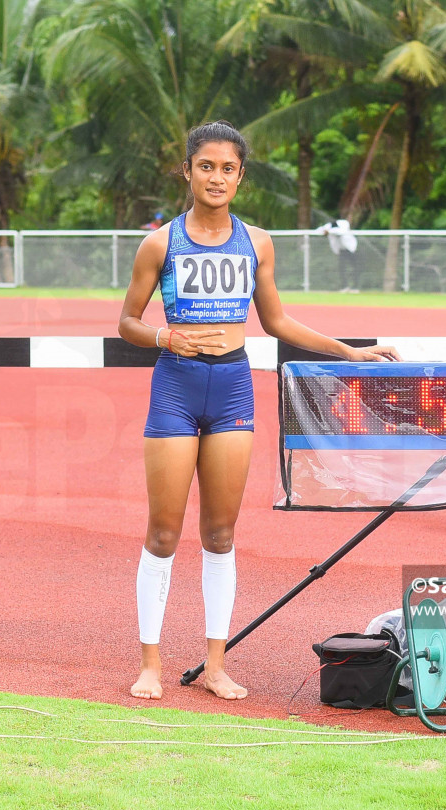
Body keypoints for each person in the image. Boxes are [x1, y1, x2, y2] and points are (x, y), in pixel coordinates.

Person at [117, 121, 399, 702]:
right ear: (187, 170)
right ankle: (150, 664)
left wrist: (349, 351)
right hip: (174, 386)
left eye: (228, 169)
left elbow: (277, 322)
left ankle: (216, 664)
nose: (216, 177)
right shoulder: (161, 243)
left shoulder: (259, 242)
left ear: (240, 176)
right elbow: (127, 323)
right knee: (164, 531)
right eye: (206, 166)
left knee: (221, 532)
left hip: (233, 390)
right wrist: (165, 339)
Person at [315, 219, 359, 292]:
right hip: (341, 250)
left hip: (351, 249)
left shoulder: (344, 224)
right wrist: (325, 230)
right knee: (341, 268)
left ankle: (355, 287)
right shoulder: (328, 227)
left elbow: (340, 231)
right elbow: (319, 230)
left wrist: (329, 231)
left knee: (355, 267)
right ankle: (344, 286)